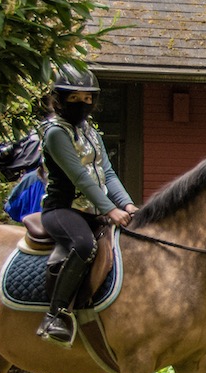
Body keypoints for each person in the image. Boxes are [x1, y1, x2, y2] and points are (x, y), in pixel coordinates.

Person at [35, 63, 137, 347]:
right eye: (74, 97)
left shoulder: (91, 132)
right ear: (60, 99)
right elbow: (80, 177)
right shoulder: (56, 133)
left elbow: (108, 173)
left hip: (93, 212)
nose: (82, 103)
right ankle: (55, 315)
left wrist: (127, 205)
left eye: (87, 98)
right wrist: (110, 210)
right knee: (84, 245)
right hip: (61, 210)